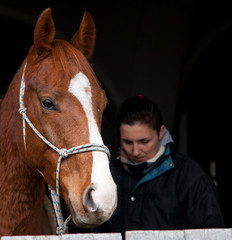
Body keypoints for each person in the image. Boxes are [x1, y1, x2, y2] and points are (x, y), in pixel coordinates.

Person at [94, 95, 225, 235]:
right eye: (127, 142)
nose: (135, 151)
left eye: (144, 142)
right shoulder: (108, 174)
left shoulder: (190, 175)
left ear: (161, 132)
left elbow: (211, 234)